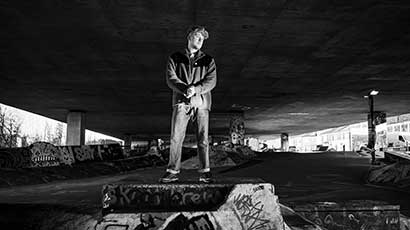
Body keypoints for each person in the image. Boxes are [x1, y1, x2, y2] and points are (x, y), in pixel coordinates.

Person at [159, 26, 217, 183]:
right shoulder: (175, 58)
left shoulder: (208, 60)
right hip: (181, 103)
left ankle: (205, 172)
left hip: (201, 104)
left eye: (202, 39)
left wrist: (196, 89)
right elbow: (171, 78)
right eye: (198, 37)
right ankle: (172, 171)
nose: (200, 41)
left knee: (203, 139)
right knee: (176, 138)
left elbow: (211, 81)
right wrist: (185, 89)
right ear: (190, 37)